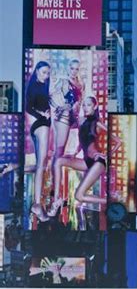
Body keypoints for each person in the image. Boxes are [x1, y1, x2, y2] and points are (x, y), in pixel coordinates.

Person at [51, 96, 118, 226]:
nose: (85, 108)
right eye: (84, 105)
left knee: (79, 196)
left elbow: (118, 141)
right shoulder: (82, 122)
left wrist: (107, 155)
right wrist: (74, 153)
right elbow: (83, 143)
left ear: (95, 106)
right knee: (59, 161)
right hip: (86, 161)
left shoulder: (97, 123)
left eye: (88, 105)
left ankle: (109, 201)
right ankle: (57, 199)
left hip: (97, 163)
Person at [48, 58, 84, 217]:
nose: (74, 71)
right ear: (68, 68)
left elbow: (79, 104)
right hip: (62, 119)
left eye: (77, 69)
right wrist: (59, 108)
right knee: (58, 153)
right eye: (72, 68)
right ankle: (55, 196)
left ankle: (56, 193)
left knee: (61, 155)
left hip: (71, 120)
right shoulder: (63, 81)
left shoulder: (80, 85)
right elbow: (50, 97)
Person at [25, 60, 52, 224]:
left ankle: (37, 204)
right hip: (41, 125)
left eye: (48, 73)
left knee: (41, 165)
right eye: (43, 72)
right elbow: (29, 107)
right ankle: (36, 204)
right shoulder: (34, 86)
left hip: (43, 125)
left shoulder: (43, 85)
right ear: (36, 72)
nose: (46, 75)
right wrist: (43, 115)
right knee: (41, 165)